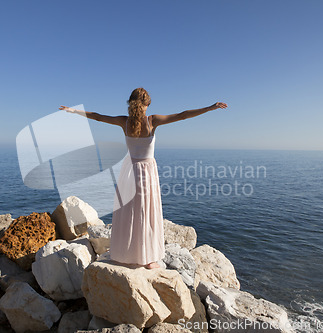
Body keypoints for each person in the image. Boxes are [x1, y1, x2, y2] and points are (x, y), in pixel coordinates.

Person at [60, 88, 227, 269]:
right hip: (146, 172)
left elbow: (98, 116)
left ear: (130, 102)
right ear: (147, 104)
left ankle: (124, 253)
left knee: (128, 213)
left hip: (129, 171)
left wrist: (74, 111)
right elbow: (183, 115)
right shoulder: (151, 121)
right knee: (146, 213)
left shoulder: (124, 122)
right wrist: (209, 108)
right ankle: (148, 259)